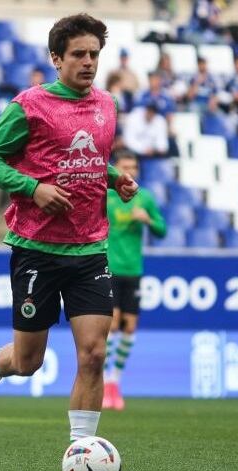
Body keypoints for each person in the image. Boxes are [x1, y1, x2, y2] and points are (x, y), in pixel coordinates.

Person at [0, 14, 139, 448]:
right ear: (56, 59)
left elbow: (89, 158)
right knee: (28, 361)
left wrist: (113, 177)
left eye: (94, 54)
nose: (88, 62)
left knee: (93, 354)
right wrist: (33, 188)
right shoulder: (30, 105)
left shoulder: (107, 106)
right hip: (37, 249)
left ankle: (81, 451)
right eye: (78, 54)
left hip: (90, 250)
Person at [102, 151, 166, 411]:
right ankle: (106, 383)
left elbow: (162, 230)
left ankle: (116, 381)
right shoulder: (106, 196)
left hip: (133, 269)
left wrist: (148, 220)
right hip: (109, 267)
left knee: (129, 328)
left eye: (135, 166)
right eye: (126, 166)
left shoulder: (145, 197)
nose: (132, 170)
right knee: (113, 324)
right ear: (117, 169)